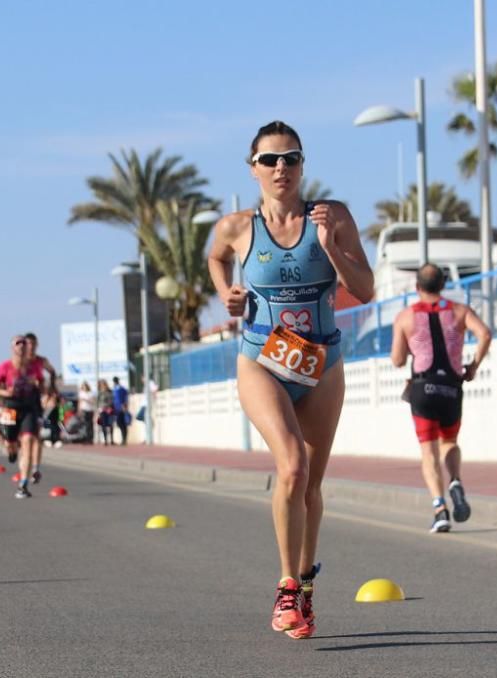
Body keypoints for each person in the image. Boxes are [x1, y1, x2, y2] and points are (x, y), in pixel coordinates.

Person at [207, 120, 373, 640]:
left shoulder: (333, 217)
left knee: (313, 485)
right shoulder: (236, 227)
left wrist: (329, 246)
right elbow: (216, 259)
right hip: (261, 362)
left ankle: (304, 588)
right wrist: (226, 292)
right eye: (270, 160)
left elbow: (365, 289)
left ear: (303, 166)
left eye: (292, 158)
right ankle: (284, 589)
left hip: (321, 366)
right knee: (293, 467)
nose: (282, 168)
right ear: (252, 167)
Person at [390, 263, 492, 534]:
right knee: (449, 442)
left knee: (428, 451)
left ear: (417, 287)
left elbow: (398, 359)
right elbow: (485, 334)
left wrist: (413, 348)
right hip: (452, 386)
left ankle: (440, 509)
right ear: (443, 285)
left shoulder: (405, 317)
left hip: (423, 388)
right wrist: (473, 366)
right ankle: (455, 480)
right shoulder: (460, 311)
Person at [0, 335, 46, 498]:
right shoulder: (4, 367)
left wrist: (41, 387)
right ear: (12, 348)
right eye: (17, 343)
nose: (21, 346)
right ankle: (11, 451)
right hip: (11, 408)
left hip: (28, 408)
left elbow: (42, 383)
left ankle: (23, 484)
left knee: (28, 441)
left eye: (23, 343)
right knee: (10, 443)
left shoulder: (33, 367)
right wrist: (5, 392)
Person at [24, 332, 57, 484]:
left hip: (35, 401)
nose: (31, 347)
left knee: (36, 436)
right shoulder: (19, 362)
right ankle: (17, 455)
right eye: (28, 344)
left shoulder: (41, 361)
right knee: (20, 439)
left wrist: (51, 388)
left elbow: (52, 372)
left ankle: (36, 468)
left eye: (33, 344)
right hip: (18, 402)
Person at [111, 377, 129, 445]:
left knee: (122, 423)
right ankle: (123, 439)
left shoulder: (121, 389)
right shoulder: (114, 389)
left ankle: (124, 439)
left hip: (121, 408)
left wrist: (124, 405)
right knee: (119, 423)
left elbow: (125, 397)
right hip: (116, 408)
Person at [96, 379, 114, 445]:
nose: (103, 386)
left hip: (109, 409)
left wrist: (110, 407)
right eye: (102, 385)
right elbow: (97, 402)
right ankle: (106, 440)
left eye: (104, 384)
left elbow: (112, 399)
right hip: (102, 410)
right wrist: (98, 409)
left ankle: (112, 440)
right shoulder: (100, 392)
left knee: (110, 424)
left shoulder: (110, 392)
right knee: (103, 424)